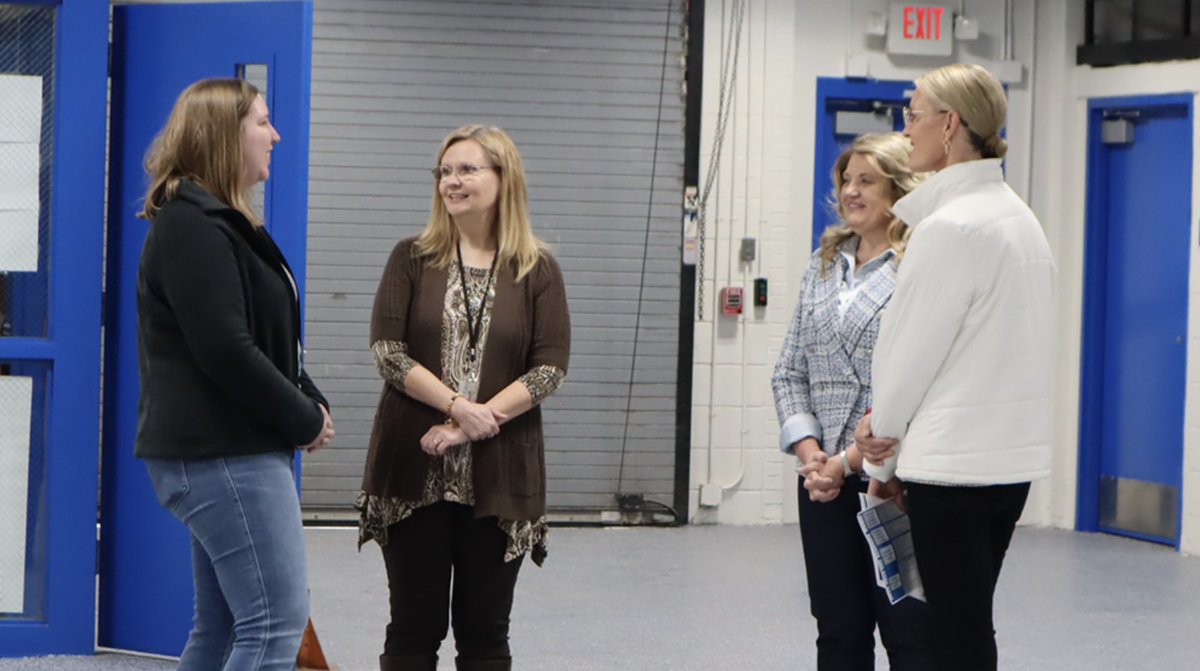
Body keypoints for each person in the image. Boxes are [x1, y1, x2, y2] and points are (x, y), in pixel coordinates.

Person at [856, 64, 1056, 671]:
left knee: (953, 638)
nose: (906, 128)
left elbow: (905, 356)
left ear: (949, 126)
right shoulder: (1021, 220)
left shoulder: (950, 228)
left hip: (952, 470)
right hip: (1007, 468)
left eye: (912, 115)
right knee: (969, 627)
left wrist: (881, 460)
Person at [135, 78, 335, 670]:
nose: (275, 136)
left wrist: (309, 397)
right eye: (263, 123)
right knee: (275, 625)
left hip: (225, 451)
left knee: (222, 628)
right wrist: (302, 419)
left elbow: (269, 338)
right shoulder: (194, 225)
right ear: (225, 135)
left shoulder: (220, 220)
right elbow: (226, 350)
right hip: (224, 453)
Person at [357, 124, 571, 671]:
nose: (451, 181)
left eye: (467, 169)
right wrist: (459, 408)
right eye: (445, 171)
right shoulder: (411, 257)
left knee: (484, 633)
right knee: (412, 627)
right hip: (413, 469)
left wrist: (473, 423)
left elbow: (549, 369)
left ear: (505, 179)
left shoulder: (537, 268)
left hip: (500, 474)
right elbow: (388, 352)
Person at [771, 132, 932, 670]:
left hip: (891, 481)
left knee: (909, 634)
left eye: (867, 180)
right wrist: (812, 456)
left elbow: (915, 386)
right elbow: (789, 370)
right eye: (846, 180)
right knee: (837, 632)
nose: (851, 191)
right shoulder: (823, 262)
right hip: (822, 487)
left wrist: (847, 462)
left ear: (899, 189)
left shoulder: (918, 266)